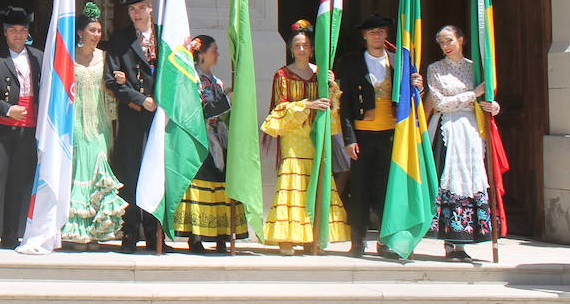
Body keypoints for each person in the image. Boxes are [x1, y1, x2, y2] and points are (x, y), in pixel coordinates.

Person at [261, 20, 352, 254]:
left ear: (312, 49)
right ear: (291, 49)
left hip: (315, 136)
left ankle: (313, 236)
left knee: (316, 182)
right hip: (294, 134)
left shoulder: (321, 74)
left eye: (306, 46)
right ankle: (287, 238)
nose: (301, 50)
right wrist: (308, 104)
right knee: (292, 182)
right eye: (297, 46)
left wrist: (332, 86)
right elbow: (279, 108)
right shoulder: (282, 74)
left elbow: (334, 107)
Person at [336, 13, 422, 258]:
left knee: (387, 188)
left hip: (391, 135)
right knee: (360, 188)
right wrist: (349, 139)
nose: (377, 36)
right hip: (363, 135)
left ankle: (386, 240)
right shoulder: (352, 63)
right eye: (373, 33)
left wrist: (417, 84)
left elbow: (410, 97)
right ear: (364, 36)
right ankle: (358, 239)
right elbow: (347, 105)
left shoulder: (398, 62)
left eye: (381, 32)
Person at [426, 25, 501, 261]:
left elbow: (485, 99)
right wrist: (472, 94)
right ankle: (450, 241)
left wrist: (493, 106)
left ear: (461, 40)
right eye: (441, 42)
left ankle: (465, 240)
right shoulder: (435, 69)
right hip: (448, 127)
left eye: (449, 41)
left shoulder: (474, 68)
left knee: (471, 181)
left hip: (471, 131)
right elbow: (440, 103)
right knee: (450, 181)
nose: (445, 46)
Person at [0, 6, 42, 251]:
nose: (18, 35)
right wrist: (6, 108)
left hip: (28, 126)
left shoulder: (38, 56)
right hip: (0, 126)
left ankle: (12, 233)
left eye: (23, 30)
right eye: (13, 30)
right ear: (5, 33)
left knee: (18, 181)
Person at [172, 34, 247, 253]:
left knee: (220, 187)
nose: (218, 54)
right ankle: (196, 236)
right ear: (202, 53)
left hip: (218, 139)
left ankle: (221, 235)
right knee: (201, 185)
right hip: (201, 140)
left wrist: (227, 96)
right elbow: (198, 112)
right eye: (214, 50)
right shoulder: (192, 79)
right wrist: (225, 102)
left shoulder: (216, 81)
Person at [62, 4, 126, 249]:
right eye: (92, 30)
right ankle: (78, 232)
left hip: (99, 121)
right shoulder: (68, 56)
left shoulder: (106, 57)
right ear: (80, 32)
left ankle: (99, 230)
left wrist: (120, 79)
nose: (96, 35)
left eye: (99, 30)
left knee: (99, 167)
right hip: (76, 119)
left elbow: (111, 85)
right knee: (80, 169)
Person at [105, 0, 162, 252]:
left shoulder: (164, 37)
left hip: (159, 119)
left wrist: (160, 101)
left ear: (150, 8)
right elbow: (111, 80)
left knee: (156, 173)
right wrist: (140, 100)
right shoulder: (120, 40)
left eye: (141, 8)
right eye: (131, 10)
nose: (136, 14)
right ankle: (130, 232)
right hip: (133, 117)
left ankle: (155, 234)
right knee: (131, 173)